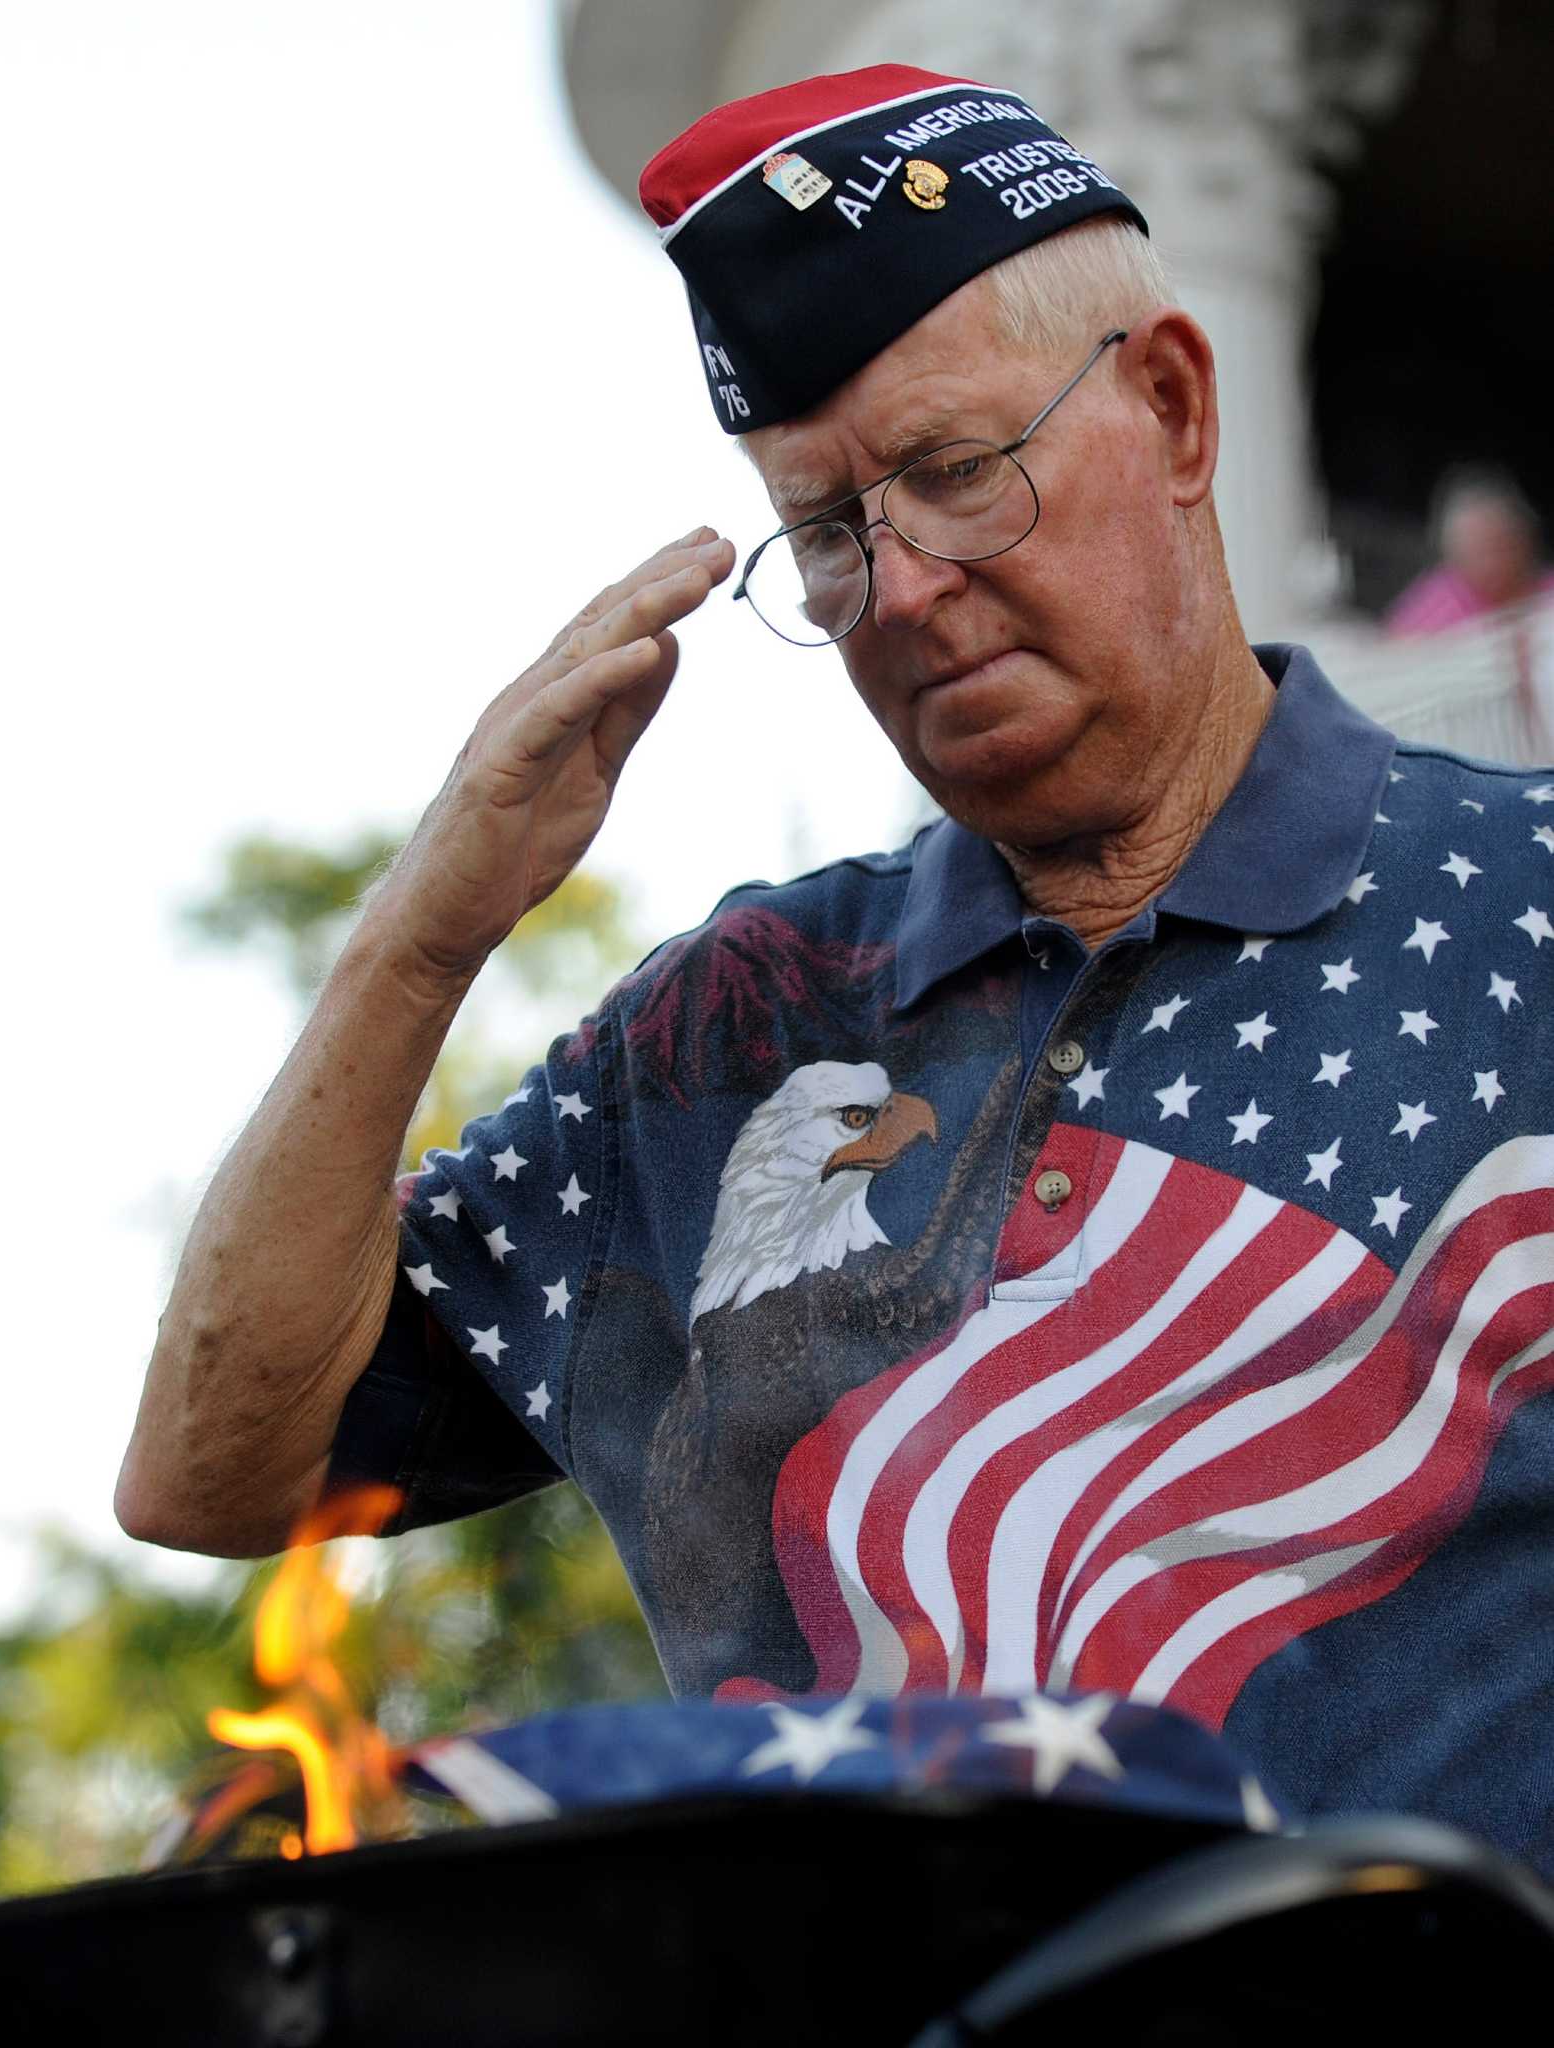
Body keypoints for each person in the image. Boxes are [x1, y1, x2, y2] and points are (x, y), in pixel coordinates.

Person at [119, 65, 1554, 1871]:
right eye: (824, 530)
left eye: (957, 475)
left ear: (1175, 410)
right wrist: (425, 928)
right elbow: (208, 1466)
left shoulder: (1525, 909)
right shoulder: (719, 1035)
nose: (904, 586)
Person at [1386, 467, 1554, 637]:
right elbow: (1396, 649)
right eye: (1479, 550)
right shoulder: (1435, 603)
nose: (1492, 563)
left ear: (1524, 540)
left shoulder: (1548, 593)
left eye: (1499, 545)